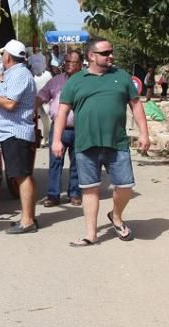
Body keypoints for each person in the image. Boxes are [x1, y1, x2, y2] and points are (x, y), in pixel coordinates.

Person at [52, 39, 150, 246]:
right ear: (92, 56)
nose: (110, 56)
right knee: (90, 189)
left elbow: (136, 106)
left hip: (117, 143)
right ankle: (91, 234)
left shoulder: (121, 77)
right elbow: (62, 112)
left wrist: (144, 134)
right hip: (86, 144)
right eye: (105, 53)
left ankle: (115, 216)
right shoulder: (76, 81)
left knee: (125, 187)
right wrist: (56, 140)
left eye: (111, 52)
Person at [0, 39, 38, 234]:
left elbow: (10, 104)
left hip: (16, 132)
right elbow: (0, 80)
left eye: (3, 54)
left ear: (8, 57)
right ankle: (27, 218)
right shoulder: (14, 73)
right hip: (11, 132)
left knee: (22, 176)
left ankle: (27, 221)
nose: (2, 57)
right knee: (21, 176)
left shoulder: (20, 75)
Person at [35, 49, 83, 208]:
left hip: (80, 129)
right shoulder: (56, 81)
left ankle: (75, 193)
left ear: (81, 65)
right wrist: (30, 110)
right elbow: (42, 96)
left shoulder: (86, 81)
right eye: (66, 61)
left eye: (72, 62)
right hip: (59, 129)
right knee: (55, 163)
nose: (68, 65)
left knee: (77, 163)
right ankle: (53, 194)